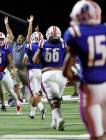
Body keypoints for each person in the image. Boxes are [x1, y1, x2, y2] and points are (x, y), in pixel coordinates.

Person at [63, 0, 106, 139]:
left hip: (90, 89)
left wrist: (77, 79)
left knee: (96, 136)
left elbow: (66, 71)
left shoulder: (75, 33)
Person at [33, 26, 67, 131]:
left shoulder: (43, 43)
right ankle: (54, 122)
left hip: (48, 73)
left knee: (53, 99)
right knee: (58, 99)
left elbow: (35, 60)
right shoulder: (63, 43)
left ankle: (59, 118)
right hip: (62, 75)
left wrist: (43, 59)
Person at [0, 32, 21, 116]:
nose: (0, 41)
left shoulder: (6, 46)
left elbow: (10, 61)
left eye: (2, 39)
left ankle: (18, 103)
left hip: (4, 71)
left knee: (10, 91)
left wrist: (6, 71)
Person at [24, 31, 46, 120]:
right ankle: (32, 113)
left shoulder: (29, 46)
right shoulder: (43, 47)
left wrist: (25, 65)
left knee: (35, 93)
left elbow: (25, 60)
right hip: (41, 71)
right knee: (36, 93)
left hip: (32, 71)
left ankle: (41, 107)